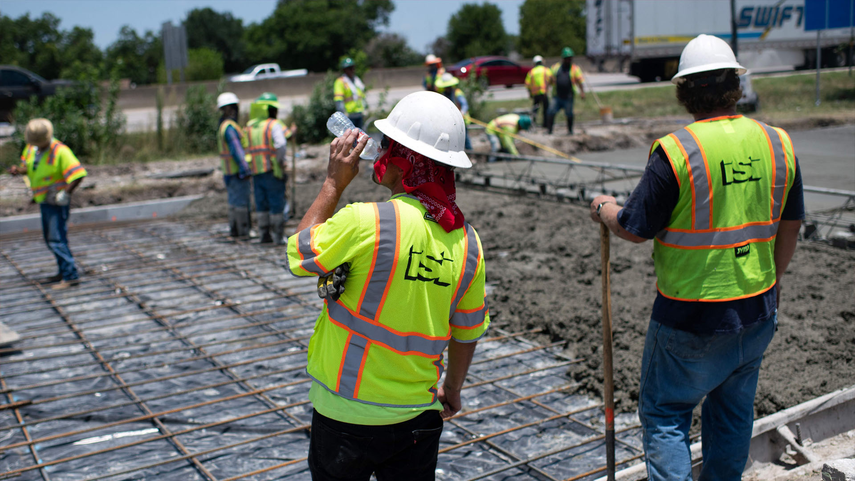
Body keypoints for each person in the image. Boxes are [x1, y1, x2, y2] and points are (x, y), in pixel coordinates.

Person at [589, 34, 803, 480]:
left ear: (684, 91)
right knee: (732, 415)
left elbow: (632, 226)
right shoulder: (777, 142)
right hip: (758, 309)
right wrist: (774, 280)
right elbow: (790, 224)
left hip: (690, 317)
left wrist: (604, 208)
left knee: (665, 413)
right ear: (736, 86)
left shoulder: (677, 150)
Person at [285, 91, 489, 480]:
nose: (380, 152)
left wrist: (333, 183)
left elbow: (299, 253)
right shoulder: (468, 244)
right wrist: (452, 390)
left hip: (345, 415)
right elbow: (467, 332)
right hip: (417, 420)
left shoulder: (366, 221)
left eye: (388, 145)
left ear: (402, 160)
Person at [9, 119, 88, 290]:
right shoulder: (31, 148)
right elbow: (30, 167)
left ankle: (70, 276)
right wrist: (18, 170)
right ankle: (63, 272)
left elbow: (79, 173)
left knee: (56, 239)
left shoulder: (60, 151)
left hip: (56, 202)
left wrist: (66, 193)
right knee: (51, 238)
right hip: (43, 200)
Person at [245, 92, 290, 245]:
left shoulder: (251, 126)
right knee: (276, 203)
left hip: (256, 172)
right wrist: (280, 160)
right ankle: (278, 236)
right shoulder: (273, 125)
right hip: (272, 171)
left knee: (261, 204)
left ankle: (264, 235)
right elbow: (281, 144)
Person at [216, 92, 253, 238]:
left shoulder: (223, 126)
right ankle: (243, 232)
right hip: (237, 173)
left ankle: (235, 230)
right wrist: (245, 169)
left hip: (229, 172)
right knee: (241, 203)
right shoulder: (230, 127)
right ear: (230, 109)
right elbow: (237, 150)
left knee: (233, 202)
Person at [547, 47, 585, 135]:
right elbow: (549, 79)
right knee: (551, 111)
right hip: (557, 95)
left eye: (570, 58)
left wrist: (582, 92)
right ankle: (549, 130)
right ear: (563, 58)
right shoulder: (556, 67)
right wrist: (546, 88)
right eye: (567, 58)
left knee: (569, 113)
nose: (568, 60)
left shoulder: (575, 68)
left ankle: (570, 131)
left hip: (568, 96)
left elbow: (580, 81)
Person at [435, 72, 472, 150]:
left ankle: (470, 152)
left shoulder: (457, 93)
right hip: (451, 121)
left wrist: (462, 112)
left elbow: (465, 105)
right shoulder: (444, 94)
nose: (447, 88)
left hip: (462, 120)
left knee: (465, 138)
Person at [334, 57, 367, 130]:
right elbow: (338, 100)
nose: (352, 70)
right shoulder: (340, 82)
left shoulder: (357, 81)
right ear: (344, 70)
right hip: (348, 116)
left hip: (359, 113)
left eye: (353, 68)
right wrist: (342, 114)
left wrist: (365, 108)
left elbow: (361, 96)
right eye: (350, 68)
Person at [524, 55, 553, 128]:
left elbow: (527, 84)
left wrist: (530, 93)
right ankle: (546, 124)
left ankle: (533, 123)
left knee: (535, 109)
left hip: (535, 94)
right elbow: (551, 79)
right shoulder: (546, 70)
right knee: (546, 109)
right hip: (544, 93)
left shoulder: (531, 72)